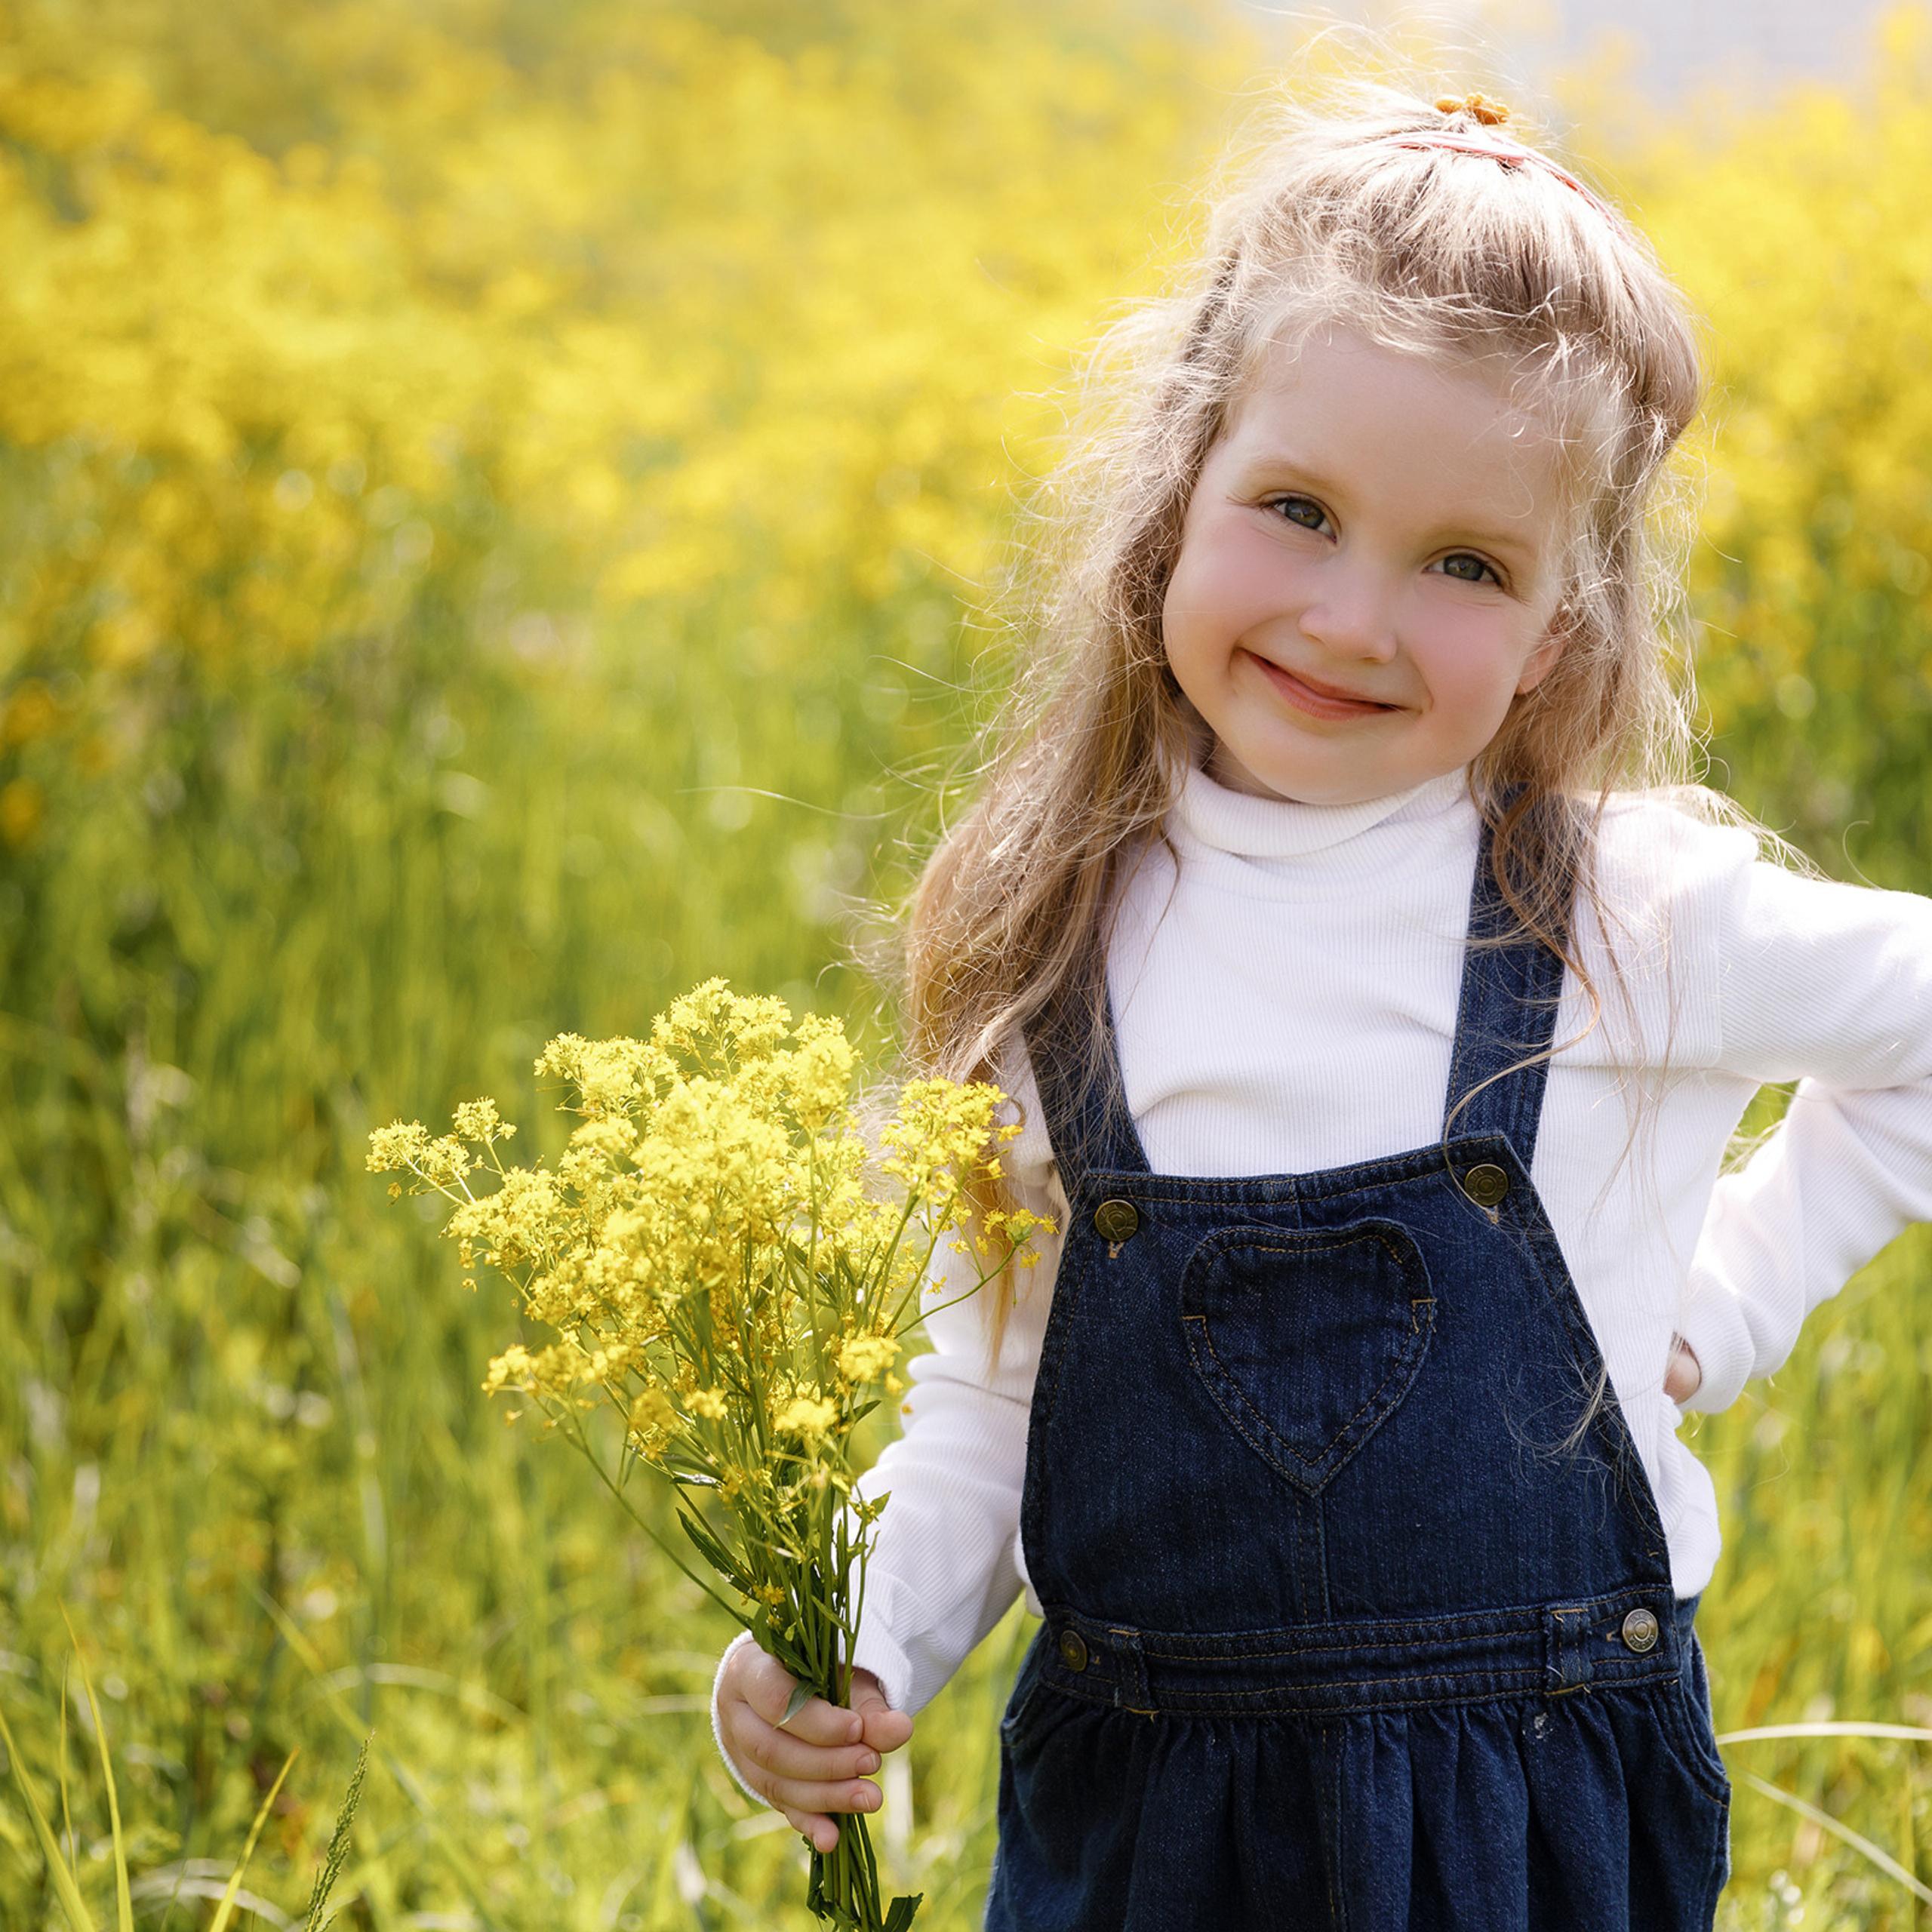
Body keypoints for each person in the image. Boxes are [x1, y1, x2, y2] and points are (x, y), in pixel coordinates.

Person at [712, 85, 1932, 1930]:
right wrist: (853, 1641)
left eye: (1465, 563)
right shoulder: (1049, 928)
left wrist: (1725, 1304)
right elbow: (987, 1400)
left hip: (1530, 1826)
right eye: (1295, 511)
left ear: (1557, 634)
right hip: (1148, 1832)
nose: (1353, 619)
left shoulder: (1612, 913)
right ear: (1172, 495)